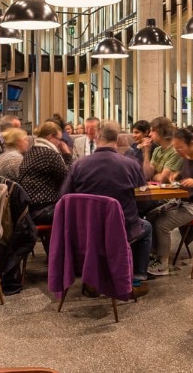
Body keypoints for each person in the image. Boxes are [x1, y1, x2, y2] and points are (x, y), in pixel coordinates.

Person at [59, 120, 151, 295]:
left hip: (85, 231)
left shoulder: (78, 165)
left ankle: (93, 279)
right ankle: (135, 281)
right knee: (146, 226)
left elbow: (64, 197)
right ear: (117, 139)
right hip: (122, 228)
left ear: (97, 137)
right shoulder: (130, 164)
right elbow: (144, 199)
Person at [147, 126, 193, 277]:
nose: (178, 151)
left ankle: (162, 264)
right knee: (151, 215)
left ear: (191, 143)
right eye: (175, 148)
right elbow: (187, 175)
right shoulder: (187, 157)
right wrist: (178, 176)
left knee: (162, 223)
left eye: (180, 147)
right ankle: (153, 254)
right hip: (188, 201)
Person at [18, 122, 70, 225]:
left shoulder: (32, 151)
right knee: (77, 210)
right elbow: (67, 179)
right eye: (59, 139)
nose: (60, 143)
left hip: (28, 209)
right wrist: (67, 155)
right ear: (51, 137)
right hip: (42, 210)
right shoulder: (50, 154)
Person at [142, 116, 182, 183]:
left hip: (171, 188)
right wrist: (146, 152)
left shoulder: (175, 151)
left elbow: (161, 179)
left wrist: (153, 176)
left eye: (153, 130)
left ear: (162, 131)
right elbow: (147, 175)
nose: (149, 134)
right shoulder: (157, 150)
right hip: (157, 188)